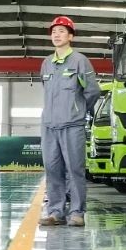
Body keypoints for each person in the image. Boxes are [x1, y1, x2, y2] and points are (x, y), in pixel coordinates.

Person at [40, 16, 102, 227]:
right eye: (54, 32)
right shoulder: (46, 63)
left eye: (61, 31)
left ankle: (77, 212)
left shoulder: (79, 61)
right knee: (52, 168)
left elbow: (93, 91)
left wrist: (78, 111)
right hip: (49, 125)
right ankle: (56, 212)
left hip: (72, 125)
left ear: (70, 36)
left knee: (75, 169)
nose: (56, 35)